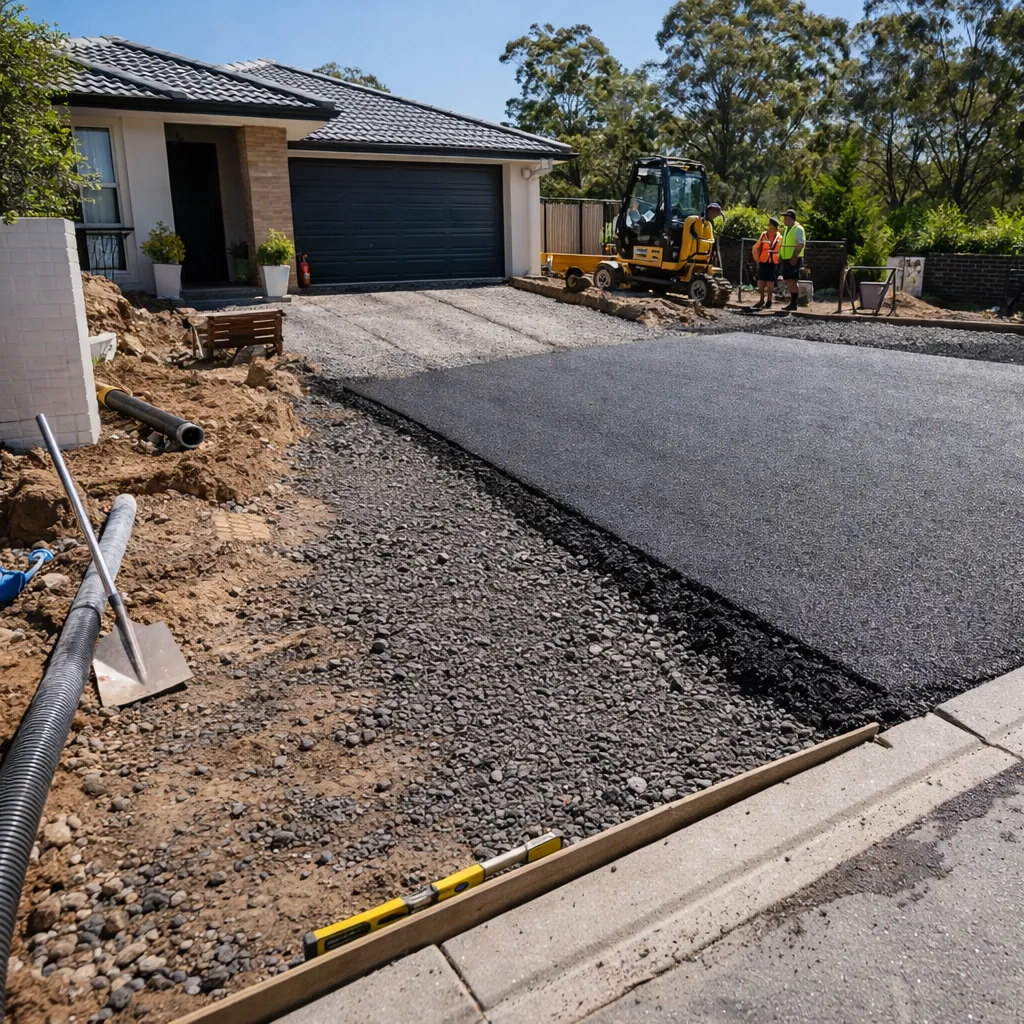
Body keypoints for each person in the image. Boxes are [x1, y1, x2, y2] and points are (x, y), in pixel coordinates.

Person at [751, 215, 781, 310]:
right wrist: (757, 259)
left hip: (773, 262)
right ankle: (761, 300)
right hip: (763, 261)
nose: (769, 227)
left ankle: (769, 301)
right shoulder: (763, 235)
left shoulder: (780, 237)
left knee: (770, 282)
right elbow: (756, 247)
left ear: (774, 227)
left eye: (771, 225)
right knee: (761, 281)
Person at [779, 208, 806, 311]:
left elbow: (800, 243)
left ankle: (794, 303)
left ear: (791, 218)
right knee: (789, 280)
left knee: (792, 280)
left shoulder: (798, 229)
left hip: (793, 259)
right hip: (787, 258)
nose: (784, 220)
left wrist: (794, 257)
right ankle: (793, 302)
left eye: (786, 217)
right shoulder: (787, 229)